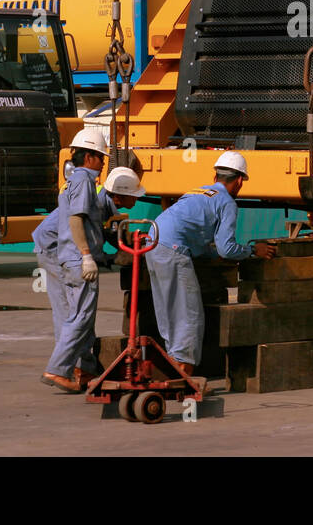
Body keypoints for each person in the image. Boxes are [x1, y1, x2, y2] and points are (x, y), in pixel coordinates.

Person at [32, 126, 144, 393]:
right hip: (57, 251)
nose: (104, 163)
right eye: (102, 158)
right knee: (76, 316)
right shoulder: (84, 182)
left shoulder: (85, 186)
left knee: (77, 315)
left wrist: (103, 257)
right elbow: (76, 221)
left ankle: (83, 367)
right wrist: (86, 257)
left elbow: (92, 231)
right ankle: (60, 369)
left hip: (67, 253)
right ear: (91, 157)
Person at [147, 150, 275, 378]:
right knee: (189, 313)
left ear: (215, 177)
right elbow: (227, 248)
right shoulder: (227, 202)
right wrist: (253, 250)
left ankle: (176, 362)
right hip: (174, 249)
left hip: (153, 241)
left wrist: (210, 254)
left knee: (168, 309)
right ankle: (184, 372)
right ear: (238, 182)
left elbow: (194, 234)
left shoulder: (197, 192)